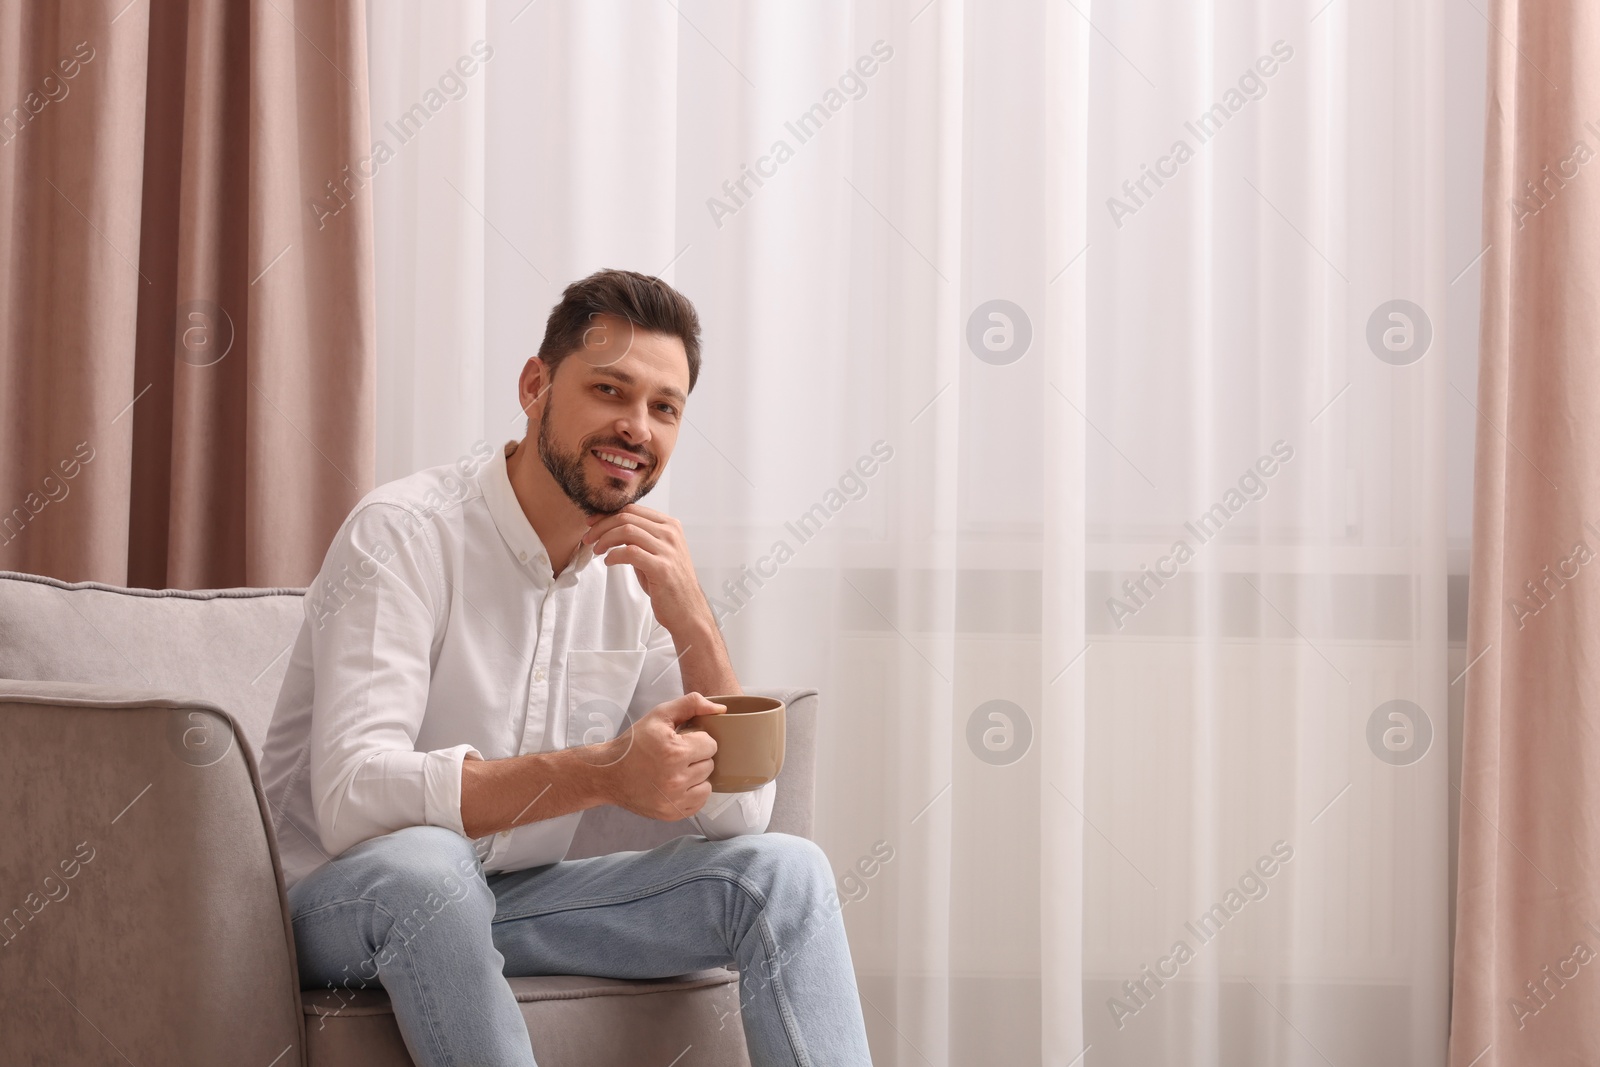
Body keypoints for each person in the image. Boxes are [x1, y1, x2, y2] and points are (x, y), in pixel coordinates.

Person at [257, 269, 874, 1066]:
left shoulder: (633, 574)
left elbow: (738, 816)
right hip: (342, 901)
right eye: (610, 390)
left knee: (785, 870)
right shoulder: (405, 533)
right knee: (429, 862)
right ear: (536, 385)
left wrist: (692, 620)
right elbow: (352, 797)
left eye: (664, 407)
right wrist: (606, 771)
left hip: (508, 901)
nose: (636, 427)